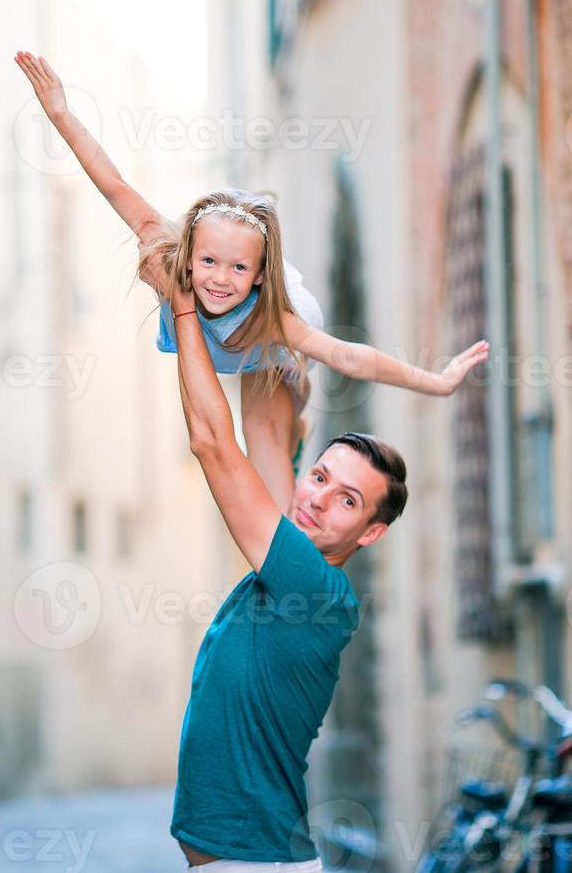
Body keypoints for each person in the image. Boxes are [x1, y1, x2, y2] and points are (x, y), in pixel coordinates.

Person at [14, 51, 489, 512]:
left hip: (284, 329)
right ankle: (293, 425)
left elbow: (347, 355)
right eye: (209, 262)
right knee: (256, 420)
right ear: (190, 254)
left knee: (266, 440)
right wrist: (60, 113)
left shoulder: (273, 318)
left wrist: (435, 380)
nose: (220, 281)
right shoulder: (169, 256)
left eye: (238, 268)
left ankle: (294, 424)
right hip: (250, 347)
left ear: (259, 273)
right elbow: (113, 183)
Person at [168, 275, 408, 870]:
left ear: (370, 533)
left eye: (350, 500)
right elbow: (270, 428)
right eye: (321, 477)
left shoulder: (313, 587)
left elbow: (212, 443)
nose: (321, 500)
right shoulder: (297, 546)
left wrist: (184, 311)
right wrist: (269, 324)